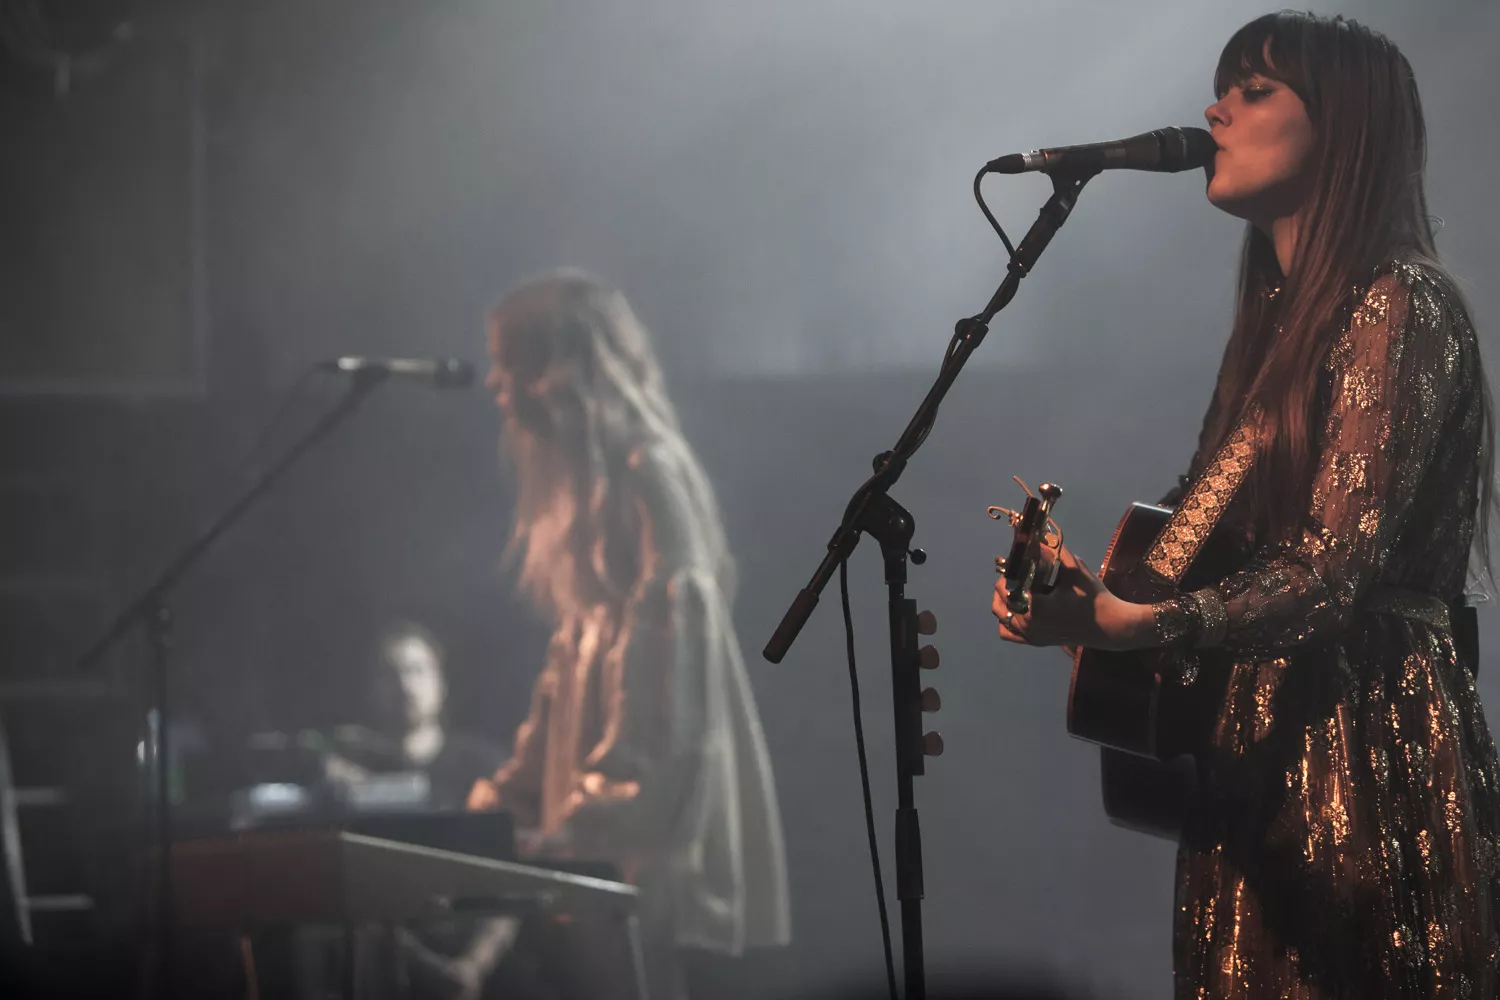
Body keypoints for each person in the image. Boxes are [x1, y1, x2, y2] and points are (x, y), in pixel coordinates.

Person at [992, 12, 1500, 998]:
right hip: (1252, 764)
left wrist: (1139, 622)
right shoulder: (1273, 329)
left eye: (1254, 91)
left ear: (1343, 125)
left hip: (1361, 750)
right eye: (1222, 89)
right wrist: (1086, 605)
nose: (1215, 111)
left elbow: (1330, 569)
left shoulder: (1398, 302)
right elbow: (1194, 549)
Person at [466, 270, 792, 999]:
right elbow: (567, 681)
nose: (494, 384)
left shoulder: (649, 473)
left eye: (509, 362)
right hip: (599, 840)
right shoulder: (588, 494)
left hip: (641, 842)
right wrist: (508, 807)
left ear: (562, 367)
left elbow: (674, 676)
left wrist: (603, 815)